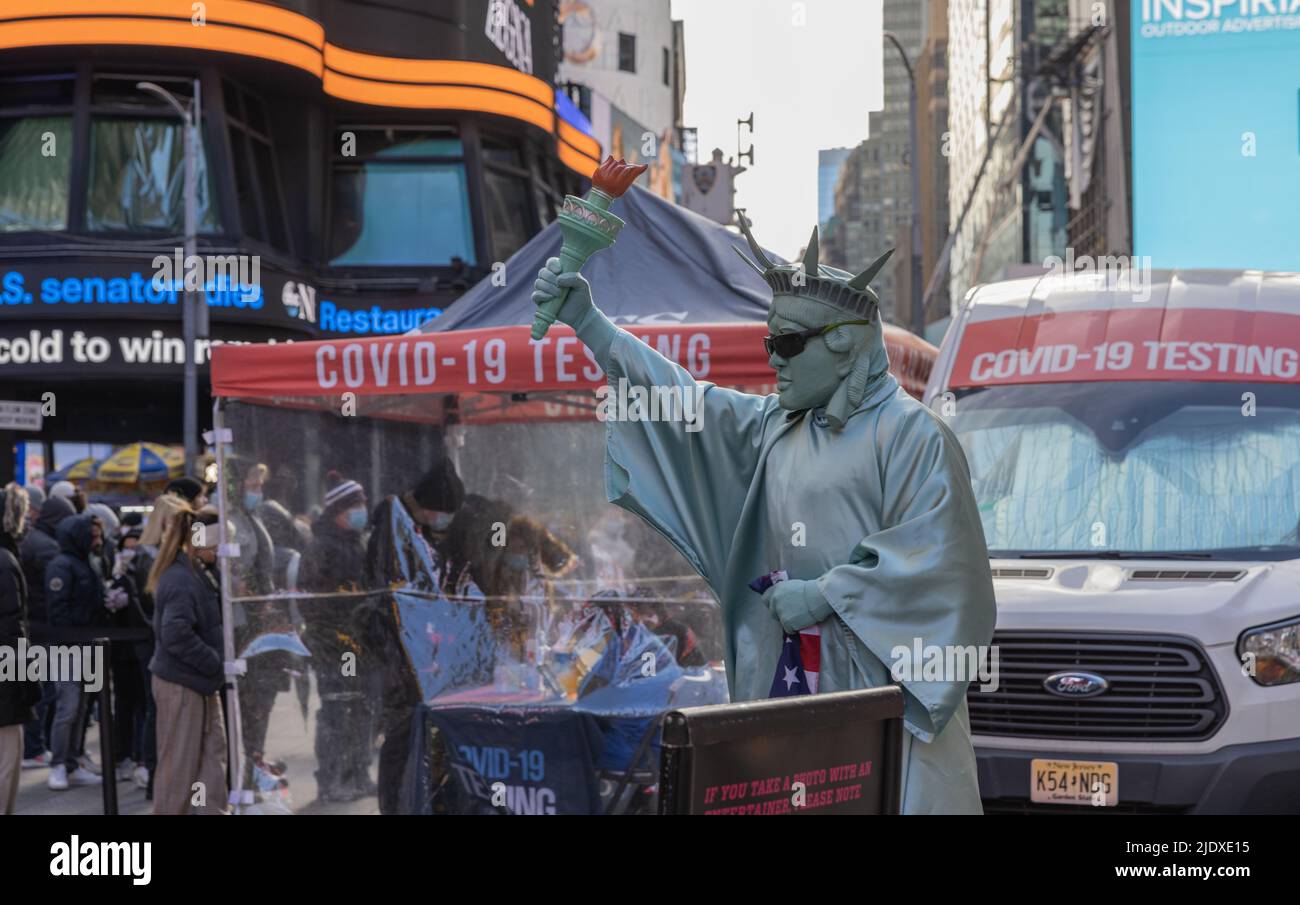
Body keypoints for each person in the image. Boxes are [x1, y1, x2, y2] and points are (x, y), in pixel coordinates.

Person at [532, 216, 997, 814]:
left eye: (785, 344)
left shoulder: (914, 436)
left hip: (883, 709)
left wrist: (826, 594)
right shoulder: (779, 424)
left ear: (843, 341)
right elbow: (686, 405)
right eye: (767, 342)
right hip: (792, 695)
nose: (771, 359)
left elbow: (949, 574)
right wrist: (591, 325)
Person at [299, 471, 375, 802]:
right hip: (334, 646)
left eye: (362, 504)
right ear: (339, 511)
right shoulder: (321, 548)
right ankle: (330, 781)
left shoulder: (356, 543)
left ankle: (358, 773)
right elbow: (310, 601)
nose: (362, 511)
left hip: (360, 644)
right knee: (336, 709)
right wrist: (335, 635)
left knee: (362, 708)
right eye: (355, 505)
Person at [147, 505, 228, 814]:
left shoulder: (195, 573)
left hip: (198, 681)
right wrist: (214, 663)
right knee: (179, 769)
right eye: (218, 543)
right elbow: (176, 635)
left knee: (211, 758)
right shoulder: (182, 579)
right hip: (183, 683)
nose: (222, 550)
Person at [44, 512, 106, 791]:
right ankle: (58, 763)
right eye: (92, 535)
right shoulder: (62, 565)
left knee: (80, 708)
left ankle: (71, 761)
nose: (97, 540)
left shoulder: (88, 562)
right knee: (68, 706)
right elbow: (58, 610)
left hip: (86, 646)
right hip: (66, 648)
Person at [17, 493, 76, 767]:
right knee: (44, 691)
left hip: (30, 626)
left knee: (37, 689)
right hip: (42, 628)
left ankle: (33, 746)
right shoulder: (48, 548)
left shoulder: (31, 541)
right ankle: (34, 747)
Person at [1, 483, 41, 813]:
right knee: (5, 769)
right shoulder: (4, 561)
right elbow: (12, 630)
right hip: (4, 691)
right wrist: (27, 684)